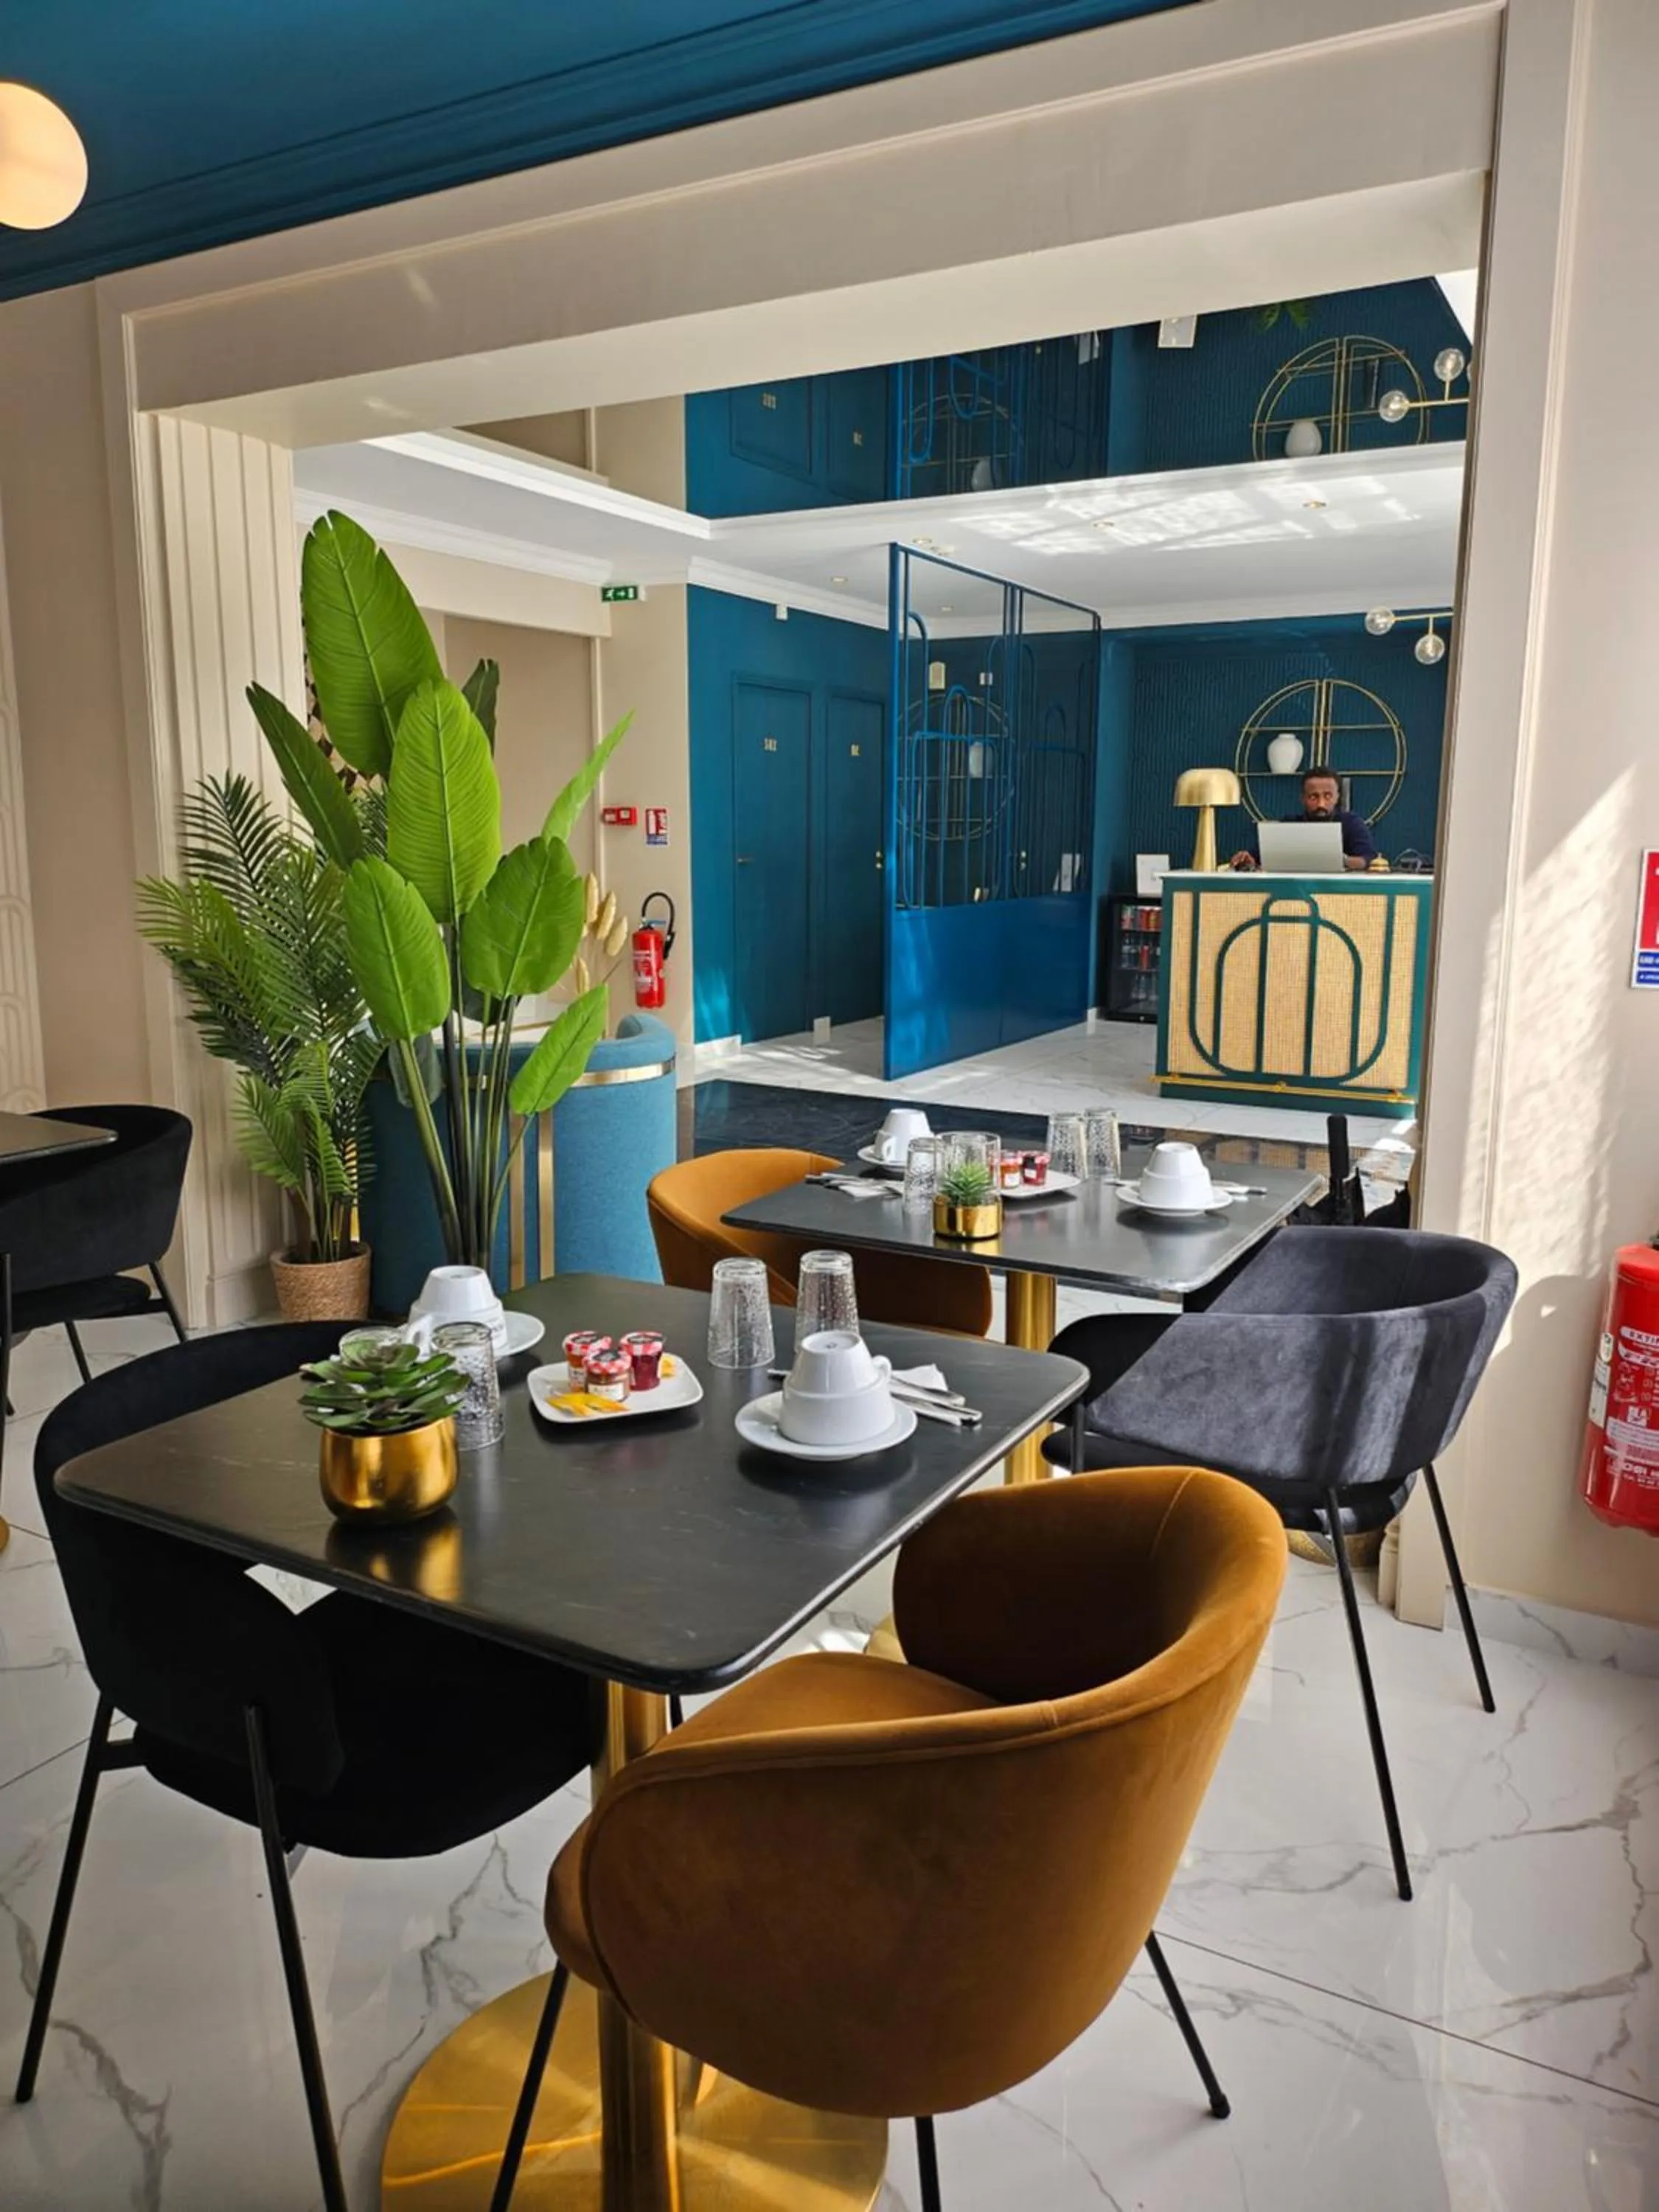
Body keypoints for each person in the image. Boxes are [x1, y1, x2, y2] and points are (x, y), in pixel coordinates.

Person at [1231, 768, 1377, 871]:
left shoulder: (1351, 823)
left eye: (1327, 796)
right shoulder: (1288, 825)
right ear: (1303, 798)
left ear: (1337, 797)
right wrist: (1247, 860)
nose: (1321, 804)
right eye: (1314, 797)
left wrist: (1340, 861)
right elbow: (1258, 858)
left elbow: (1368, 860)